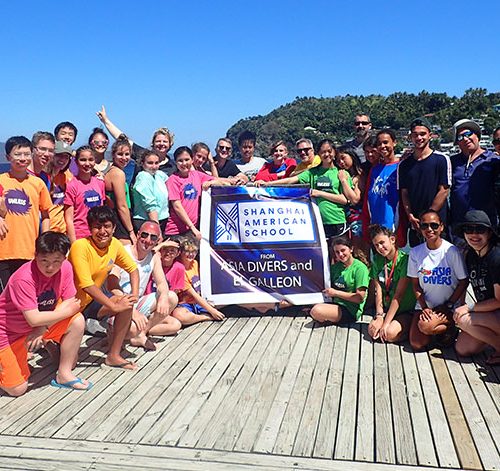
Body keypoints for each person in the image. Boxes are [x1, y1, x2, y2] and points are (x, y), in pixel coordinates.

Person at [0, 232, 91, 396]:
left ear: (64, 258)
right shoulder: (23, 278)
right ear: (35, 255)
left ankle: (64, 374)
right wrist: (60, 314)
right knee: (17, 389)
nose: (50, 267)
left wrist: (43, 328)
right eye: (44, 261)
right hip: (8, 332)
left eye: (56, 261)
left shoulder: (66, 267)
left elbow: (71, 302)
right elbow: (34, 318)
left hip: (40, 324)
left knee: (77, 321)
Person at [68, 206, 140, 370]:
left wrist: (134, 295)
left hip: (90, 302)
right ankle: (50, 342)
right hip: (70, 304)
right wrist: (113, 306)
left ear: (114, 228)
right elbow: (86, 285)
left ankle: (113, 355)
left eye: (107, 226)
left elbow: (133, 269)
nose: (102, 231)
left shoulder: (114, 244)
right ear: (90, 228)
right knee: (66, 363)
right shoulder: (80, 246)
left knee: (126, 303)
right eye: (97, 227)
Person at [107, 221, 181, 350]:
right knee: (132, 329)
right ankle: (116, 334)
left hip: (137, 302)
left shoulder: (154, 256)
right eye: (144, 235)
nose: (147, 240)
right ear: (138, 235)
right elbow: (112, 285)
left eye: (153, 237)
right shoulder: (123, 251)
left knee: (171, 297)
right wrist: (132, 311)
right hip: (117, 305)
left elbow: (161, 282)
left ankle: (141, 334)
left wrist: (163, 297)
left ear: (157, 241)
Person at [258, 139, 349, 239]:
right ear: (318, 153)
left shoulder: (341, 173)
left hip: (337, 220)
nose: (326, 154)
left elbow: (344, 200)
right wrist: (267, 184)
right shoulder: (312, 172)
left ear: (334, 152)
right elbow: (291, 180)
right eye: (323, 152)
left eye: (329, 151)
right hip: (318, 222)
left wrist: (319, 193)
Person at [407, 209, 468, 351]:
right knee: (417, 343)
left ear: (441, 227)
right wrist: (424, 307)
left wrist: (449, 304)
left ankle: (450, 326)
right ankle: (440, 331)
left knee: (425, 326)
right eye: (424, 226)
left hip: (447, 306)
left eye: (434, 225)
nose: (429, 229)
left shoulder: (452, 251)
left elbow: (464, 281)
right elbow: (415, 285)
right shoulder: (415, 252)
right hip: (426, 306)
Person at [0, 136, 51, 291]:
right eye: (17, 154)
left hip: (29, 251)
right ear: (8, 157)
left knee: (25, 294)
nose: (23, 158)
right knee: (5, 296)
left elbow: (46, 215)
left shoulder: (38, 183)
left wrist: (45, 240)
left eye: (27, 154)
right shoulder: (1, 181)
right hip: (3, 252)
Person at [453, 210, 500, 365]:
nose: (474, 234)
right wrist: (460, 304)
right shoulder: (471, 255)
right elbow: (465, 282)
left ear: (489, 233)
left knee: (463, 319)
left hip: (496, 309)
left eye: (480, 229)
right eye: (468, 229)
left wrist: (468, 307)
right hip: (489, 312)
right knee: (462, 348)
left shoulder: (496, 258)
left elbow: (499, 301)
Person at [398, 117, 451, 247]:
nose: (419, 138)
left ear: (430, 135)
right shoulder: (404, 165)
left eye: (423, 134)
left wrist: (427, 218)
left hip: (437, 224)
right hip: (416, 225)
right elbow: (404, 193)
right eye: (415, 134)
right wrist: (410, 216)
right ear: (410, 137)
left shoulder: (441, 160)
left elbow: (444, 190)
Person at [367, 225, 416, 343]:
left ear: (392, 239)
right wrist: (379, 315)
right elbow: (378, 289)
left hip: (404, 310)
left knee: (388, 334)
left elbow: (399, 295)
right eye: (376, 245)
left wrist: (385, 323)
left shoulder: (404, 260)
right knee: (372, 330)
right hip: (387, 309)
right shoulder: (378, 260)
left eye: (382, 242)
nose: (380, 247)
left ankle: (409, 329)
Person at [165, 146, 226, 240]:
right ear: (175, 162)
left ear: (192, 160)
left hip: (192, 230)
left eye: (187, 160)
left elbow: (220, 181)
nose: (184, 163)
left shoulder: (197, 175)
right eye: (180, 161)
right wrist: (192, 227)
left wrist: (211, 182)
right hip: (176, 231)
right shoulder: (173, 180)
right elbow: (177, 206)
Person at [450, 119, 500, 232]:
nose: (465, 139)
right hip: (459, 227)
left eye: (468, 134)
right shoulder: (451, 162)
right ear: (457, 143)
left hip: (487, 227)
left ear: (477, 136)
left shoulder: (494, 160)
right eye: (460, 137)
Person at [96, 105, 176, 176]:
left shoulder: (174, 166)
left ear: (170, 144)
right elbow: (122, 138)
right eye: (158, 141)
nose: (161, 144)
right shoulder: (143, 155)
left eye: (165, 141)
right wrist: (106, 121)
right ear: (153, 143)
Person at [309, 236, 369, 324]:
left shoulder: (360, 269)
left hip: (350, 309)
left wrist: (335, 293)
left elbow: (359, 298)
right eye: (337, 252)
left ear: (351, 249)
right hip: (334, 303)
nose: (340, 254)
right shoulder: (335, 267)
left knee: (316, 311)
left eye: (343, 250)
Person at [172, 237, 225, 324]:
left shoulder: (195, 263)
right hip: (185, 304)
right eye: (187, 251)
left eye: (194, 251)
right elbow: (193, 294)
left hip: (200, 301)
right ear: (181, 252)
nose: (191, 254)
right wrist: (212, 311)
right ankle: (205, 317)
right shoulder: (179, 268)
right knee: (179, 315)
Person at [362, 129, 400, 240]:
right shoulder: (374, 169)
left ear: (394, 143)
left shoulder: (401, 166)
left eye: (385, 142)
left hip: (392, 225)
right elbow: (368, 198)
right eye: (379, 144)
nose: (382, 146)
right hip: (375, 225)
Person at [64, 146, 105, 243]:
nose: (87, 163)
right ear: (76, 162)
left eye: (91, 160)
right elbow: (69, 219)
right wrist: (74, 243)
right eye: (83, 160)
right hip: (80, 236)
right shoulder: (72, 185)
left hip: (98, 235)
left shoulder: (100, 183)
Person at [104, 137, 136, 244]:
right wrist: (131, 231)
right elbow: (122, 206)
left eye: (127, 154)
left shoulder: (111, 170)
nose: (124, 158)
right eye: (120, 154)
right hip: (119, 218)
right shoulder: (118, 174)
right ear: (113, 155)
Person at [132, 150, 170, 234]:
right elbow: (150, 205)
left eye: (156, 163)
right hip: (147, 221)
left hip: (161, 219)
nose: (154, 166)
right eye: (150, 163)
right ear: (142, 163)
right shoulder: (143, 176)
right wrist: (157, 229)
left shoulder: (159, 175)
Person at [40, 141, 73, 233]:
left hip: (62, 230)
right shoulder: (42, 177)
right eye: (59, 155)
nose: (62, 159)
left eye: (66, 157)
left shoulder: (66, 177)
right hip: (45, 229)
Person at [335, 147, 364, 241]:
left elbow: (355, 200)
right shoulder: (341, 175)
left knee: (358, 246)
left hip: (357, 219)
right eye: (338, 161)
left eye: (343, 158)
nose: (341, 162)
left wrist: (343, 181)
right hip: (344, 219)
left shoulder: (359, 176)